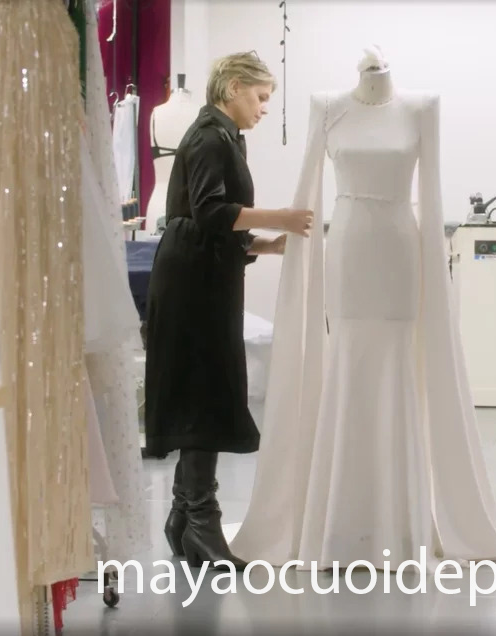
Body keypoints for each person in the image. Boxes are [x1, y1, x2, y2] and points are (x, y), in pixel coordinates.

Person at [143, 52, 312, 569]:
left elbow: (208, 221)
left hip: (201, 276)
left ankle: (185, 516)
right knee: (205, 392)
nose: (264, 108)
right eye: (260, 97)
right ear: (234, 87)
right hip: (193, 283)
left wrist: (267, 244)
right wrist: (281, 218)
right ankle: (200, 519)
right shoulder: (210, 138)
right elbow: (211, 211)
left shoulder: (223, 137)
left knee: (206, 389)